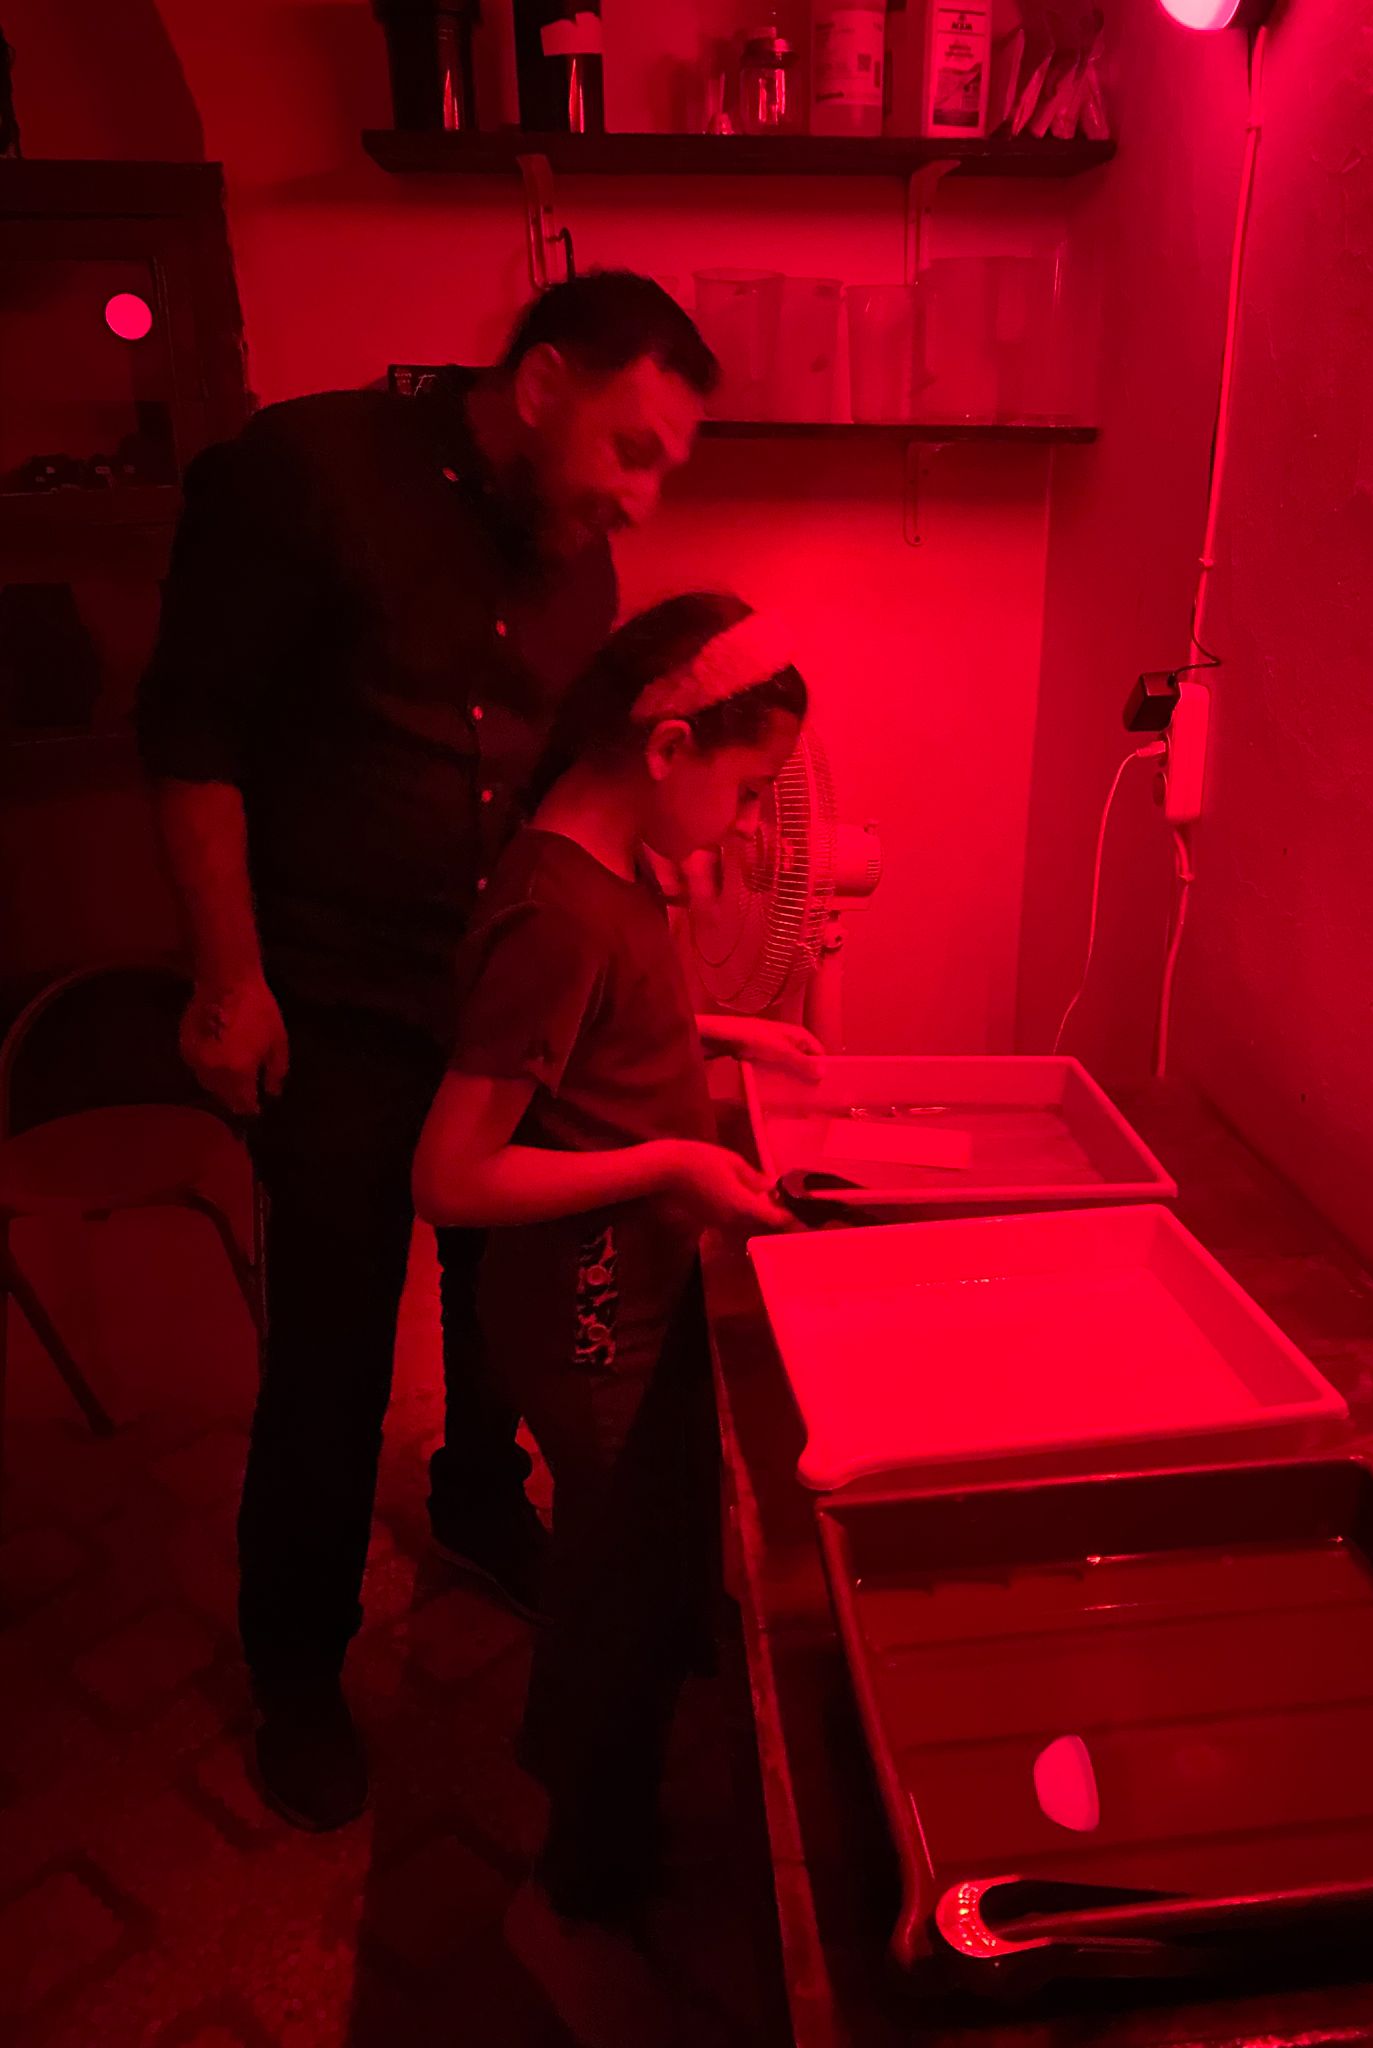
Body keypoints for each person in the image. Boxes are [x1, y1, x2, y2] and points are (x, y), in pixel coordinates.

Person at [135, 274, 718, 1832]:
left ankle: (475, 1496)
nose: (644, 499)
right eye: (636, 448)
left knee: (503, 1297)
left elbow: (566, 783)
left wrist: (656, 865)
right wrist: (227, 980)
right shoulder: (303, 477)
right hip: (322, 1001)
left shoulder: (577, 565)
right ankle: (300, 1668)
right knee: (329, 1353)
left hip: (485, 1007)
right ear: (539, 384)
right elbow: (191, 736)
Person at [412, 593, 817, 1917]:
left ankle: (588, 1760)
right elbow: (453, 1175)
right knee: (616, 1584)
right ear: (667, 749)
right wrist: (673, 1167)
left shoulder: (604, 873)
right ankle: (582, 1885)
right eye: (751, 790)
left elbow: (603, 1053)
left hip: (630, 1297)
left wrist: (731, 1043)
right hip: (592, 1315)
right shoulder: (558, 915)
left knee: (629, 1568)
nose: (754, 824)